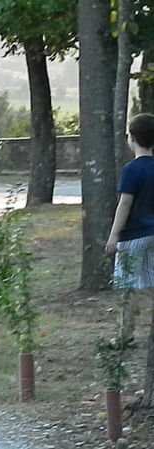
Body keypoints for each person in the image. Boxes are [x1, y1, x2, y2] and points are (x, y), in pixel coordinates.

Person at [105, 112, 154, 341]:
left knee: (127, 286)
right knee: (151, 281)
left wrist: (114, 235)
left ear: (131, 138)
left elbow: (125, 203)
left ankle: (125, 335)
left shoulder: (131, 170)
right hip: (152, 234)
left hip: (133, 236)